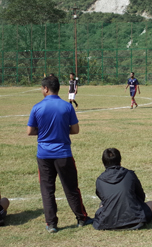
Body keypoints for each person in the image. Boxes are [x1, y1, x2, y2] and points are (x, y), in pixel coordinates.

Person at [27, 76, 92, 233]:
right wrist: (62, 130)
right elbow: (75, 130)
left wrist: (43, 132)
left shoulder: (37, 107)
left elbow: (30, 131)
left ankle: (51, 224)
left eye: (42, 88)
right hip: (63, 153)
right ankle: (81, 218)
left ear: (46, 89)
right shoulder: (67, 107)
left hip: (43, 155)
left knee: (47, 189)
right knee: (71, 188)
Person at [92, 148, 152, 230]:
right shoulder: (129, 174)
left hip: (108, 222)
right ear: (120, 161)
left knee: (102, 205)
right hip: (135, 220)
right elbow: (141, 196)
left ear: (103, 163)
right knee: (151, 204)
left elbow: (103, 199)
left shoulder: (100, 180)